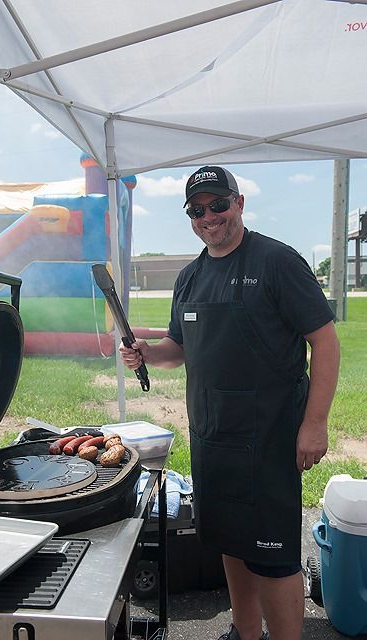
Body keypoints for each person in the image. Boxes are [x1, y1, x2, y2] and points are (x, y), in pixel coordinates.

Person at [119, 165, 340, 640]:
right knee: (230, 543)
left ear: (239, 204)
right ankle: (245, 632)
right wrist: (147, 352)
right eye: (198, 210)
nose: (209, 216)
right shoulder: (190, 277)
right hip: (212, 439)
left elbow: (324, 341)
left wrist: (314, 424)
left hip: (269, 438)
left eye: (219, 204)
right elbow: (179, 349)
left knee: (274, 557)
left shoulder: (277, 262)